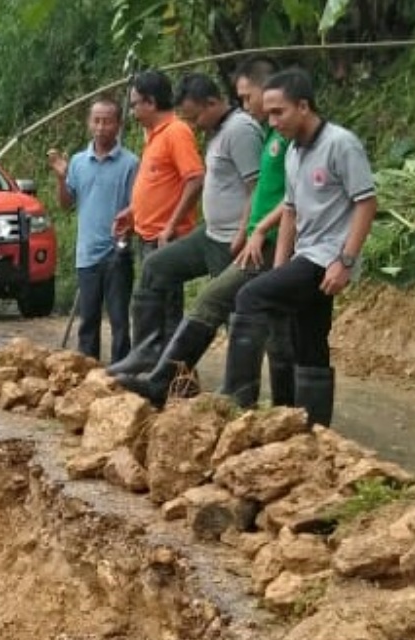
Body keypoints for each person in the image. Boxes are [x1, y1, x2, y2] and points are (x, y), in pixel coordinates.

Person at [117, 57, 294, 408]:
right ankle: (150, 351)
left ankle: (241, 393)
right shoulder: (218, 132)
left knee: (230, 311)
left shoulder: (242, 130)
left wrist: (246, 233)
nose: (193, 125)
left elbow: (256, 188)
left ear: (212, 103)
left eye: (195, 116)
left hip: (234, 238)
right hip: (211, 233)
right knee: (157, 267)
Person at [229, 67, 377, 428]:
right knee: (309, 342)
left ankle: (234, 403)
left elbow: (366, 202)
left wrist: (345, 261)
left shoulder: (341, 144)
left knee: (250, 297)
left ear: (304, 106)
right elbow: (290, 214)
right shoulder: (293, 152)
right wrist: (280, 268)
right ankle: (312, 431)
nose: (272, 120)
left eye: (279, 112)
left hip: (326, 256)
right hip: (304, 255)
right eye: (269, 113)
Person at [105, 70, 205, 375]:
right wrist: (133, 211)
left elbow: (194, 178)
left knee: (167, 311)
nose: (132, 112)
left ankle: (171, 376)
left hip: (165, 238)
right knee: (155, 304)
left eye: (135, 105)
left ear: (150, 102)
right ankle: (162, 371)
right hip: (147, 235)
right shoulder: (154, 136)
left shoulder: (176, 132)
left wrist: (171, 226)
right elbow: (160, 183)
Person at [47, 96, 139, 364]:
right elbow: (66, 204)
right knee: (88, 320)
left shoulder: (130, 163)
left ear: (118, 124)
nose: (101, 127)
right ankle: (88, 373)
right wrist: (61, 178)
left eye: (107, 121)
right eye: (96, 121)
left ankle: (122, 372)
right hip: (86, 253)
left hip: (117, 253)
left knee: (120, 319)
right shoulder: (77, 162)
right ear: (89, 123)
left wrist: (126, 233)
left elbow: (137, 206)